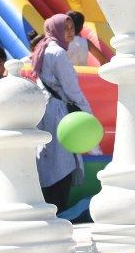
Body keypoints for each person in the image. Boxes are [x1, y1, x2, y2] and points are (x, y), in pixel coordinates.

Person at [32, 13, 93, 214]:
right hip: (59, 112)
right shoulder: (58, 53)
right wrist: (87, 114)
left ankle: (49, 205)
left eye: (71, 28)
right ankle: (59, 207)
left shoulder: (42, 48)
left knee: (48, 159)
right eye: (65, 28)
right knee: (64, 161)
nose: (69, 32)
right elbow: (72, 89)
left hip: (44, 110)